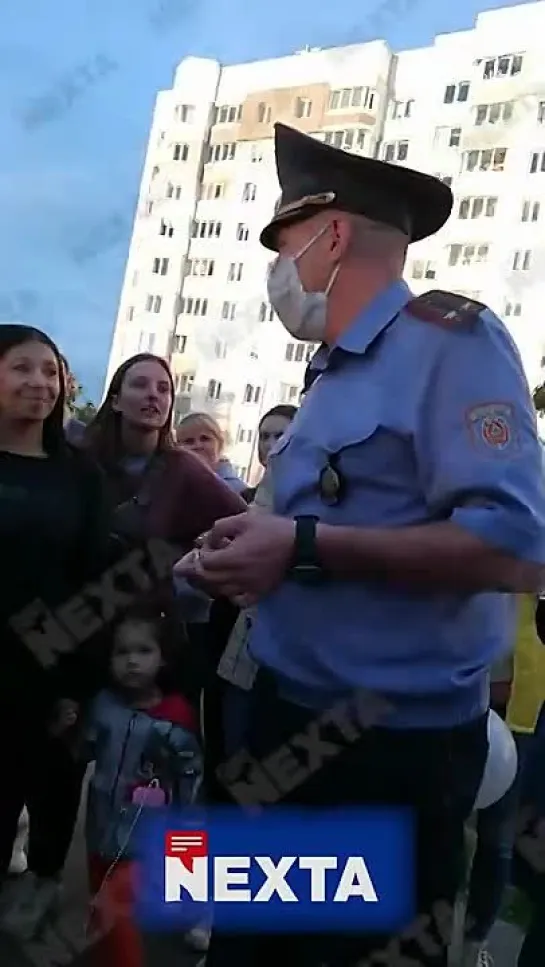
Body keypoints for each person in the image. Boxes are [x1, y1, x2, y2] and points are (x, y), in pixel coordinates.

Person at [177, 123, 545, 967]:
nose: (277, 269)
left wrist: (300, 544)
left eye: (284, 244)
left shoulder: (451, 340)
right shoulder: (333, 370)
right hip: (282, 719)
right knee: (253, 947)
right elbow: (331, 524)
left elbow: (516, 545)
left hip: (383, 754)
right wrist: (249, 545)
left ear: (331, 235)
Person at [0, 325, 112, 940]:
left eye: (51, 371)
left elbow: (96, 582)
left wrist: (76, 680)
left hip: (52, 670)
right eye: (22, 368)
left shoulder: (81, 476)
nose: (40, 383)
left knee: (49, 788)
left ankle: (41, 884)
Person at [56, 603, 202, 967]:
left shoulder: (175, 718)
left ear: (163, 658)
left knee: (117, 914)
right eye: (122, 652)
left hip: (145, 837)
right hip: (100, 828)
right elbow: (83, 751)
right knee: (104, 908)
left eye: (143, 651)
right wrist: (69, 729)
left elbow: (191, 779)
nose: (132, 661)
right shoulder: (103, 706)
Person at [217, 404, 298, 760]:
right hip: (243, 656)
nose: (271, 444)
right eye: (264, 436)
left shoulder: (319, 502)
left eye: (281, 435)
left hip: (292, 665)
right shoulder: (248, 502)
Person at [176, 411, 247, 494]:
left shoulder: (237, 490)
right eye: (189, 441)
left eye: (205, 438)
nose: (198, 445)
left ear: (219, 443)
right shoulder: (171, 484)